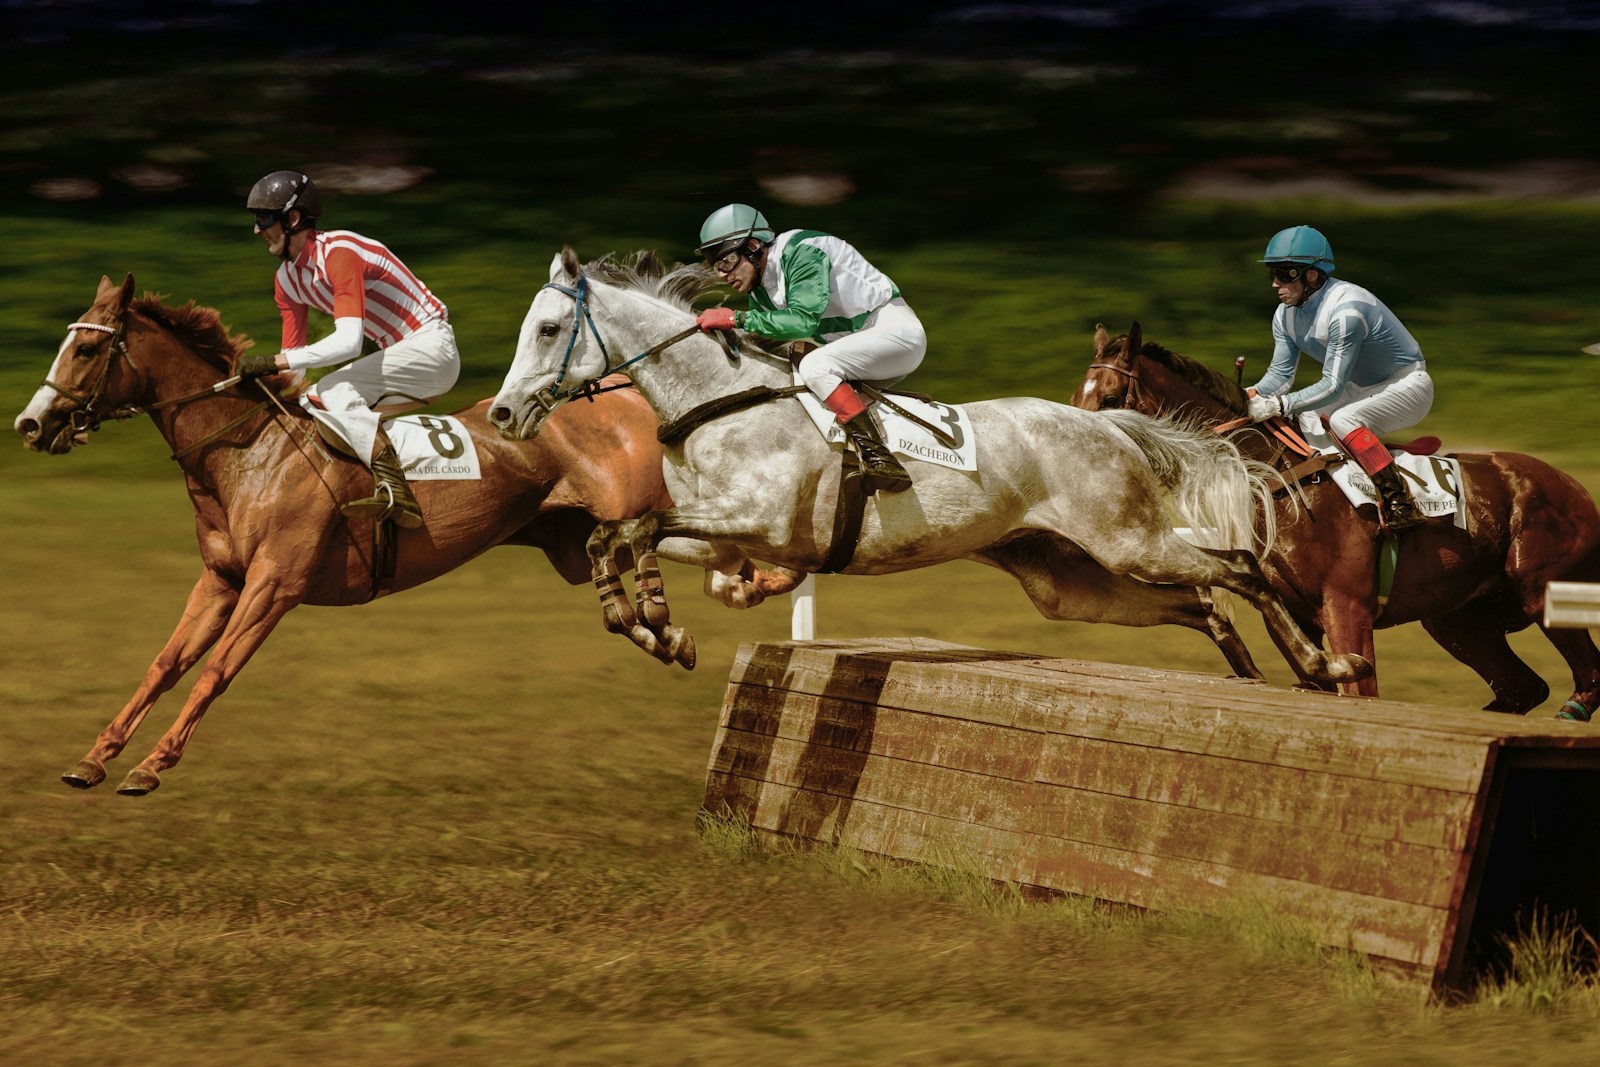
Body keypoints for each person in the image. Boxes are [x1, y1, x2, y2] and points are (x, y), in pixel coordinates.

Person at [233, 170, 459, 529]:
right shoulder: (287, 281)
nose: (257, 230)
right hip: (400, 357)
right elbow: (295, 370)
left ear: (292, 219)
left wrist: (274, 361)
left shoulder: (339, 254)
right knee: (308, 403)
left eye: (263, 219)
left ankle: (397, 492)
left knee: (331, 392)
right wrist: (261, 390)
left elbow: (349, 342)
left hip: (432, 348)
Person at [692, 203, 926, 494]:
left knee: (815, 366)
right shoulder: (761, 290)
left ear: (753, 246)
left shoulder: (802, 251)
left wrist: (735, 318)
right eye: (716, 267)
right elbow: (770, 338)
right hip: (858, 352)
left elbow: (802, 321)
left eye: (727, 261)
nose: (723, 275)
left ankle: (880, 459)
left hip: (895, 333)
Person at [1245, 225, 1432, 531]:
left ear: (1313, 276)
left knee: (1344, 419)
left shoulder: (1347, 310)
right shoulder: (1285, 314)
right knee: (1306, 418)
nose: (1276, 283)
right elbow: (1279, 377)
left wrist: (1277, 405)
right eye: (1272, 274)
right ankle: (1336, 493)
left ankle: (1399, 502)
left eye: (1285, 273)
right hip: (1365, 387)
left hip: (1409, 385)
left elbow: (1332, 386)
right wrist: (1246, 396)